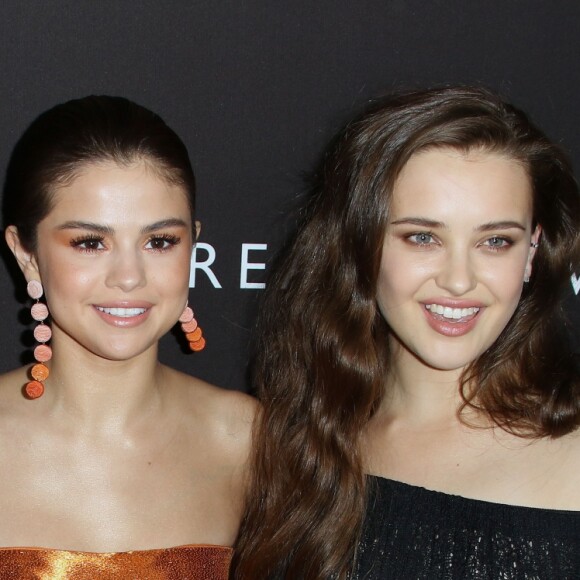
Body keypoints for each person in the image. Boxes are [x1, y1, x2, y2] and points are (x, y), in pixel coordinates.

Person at [232, 86, 580, 579]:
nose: (459, 279)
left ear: (532, 252)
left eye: (496, 241)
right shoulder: (299, 445)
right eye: (423, 237)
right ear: (361, 243)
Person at [0, 95, 255, 578]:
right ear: (26, 253)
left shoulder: (248, 441)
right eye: (90, 243)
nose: (129, 276)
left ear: (192, 245)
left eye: (159, 242)